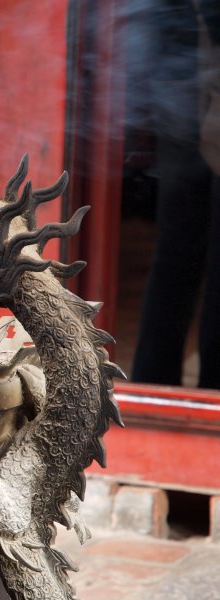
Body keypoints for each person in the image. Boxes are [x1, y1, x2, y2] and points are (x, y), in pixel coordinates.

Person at [132, 0, 220, 388]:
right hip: (195, 63)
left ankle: (152, 386)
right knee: (181, 249)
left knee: (176, 250)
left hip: (182, 63)